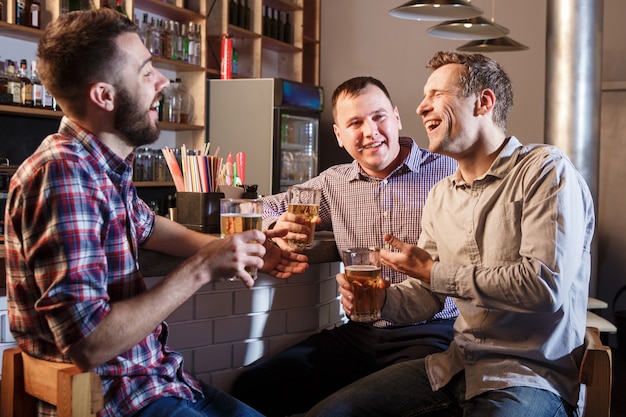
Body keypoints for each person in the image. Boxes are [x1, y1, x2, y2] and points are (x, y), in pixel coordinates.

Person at [3, 9, 308, 417]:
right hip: (112, 400)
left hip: (157, 380)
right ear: (104, 96)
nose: (163, 81)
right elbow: (89, 344)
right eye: (147, 72)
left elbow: (149, 227)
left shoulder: (101, 166)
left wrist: (234, 247)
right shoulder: (63, 173)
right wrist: (203, 266)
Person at [305, 51, 596, 417]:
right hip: (455, 367)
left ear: (484, 103)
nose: (420, 108)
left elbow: (544, 287)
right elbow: (427, 296)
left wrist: (431, 271)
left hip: (530, 378)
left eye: (436, 95)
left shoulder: (545, 171)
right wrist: (383, 301)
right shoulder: (442, 194)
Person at [232, 76, 458, 416]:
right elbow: (260, 206)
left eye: (379, 116)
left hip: (433, 334)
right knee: (254, 387)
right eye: (355, 123)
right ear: (339, 135)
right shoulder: (333, 182)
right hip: (360, 333)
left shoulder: (450, 172)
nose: (370, 132)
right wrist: (274, 226)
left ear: (396, 118)